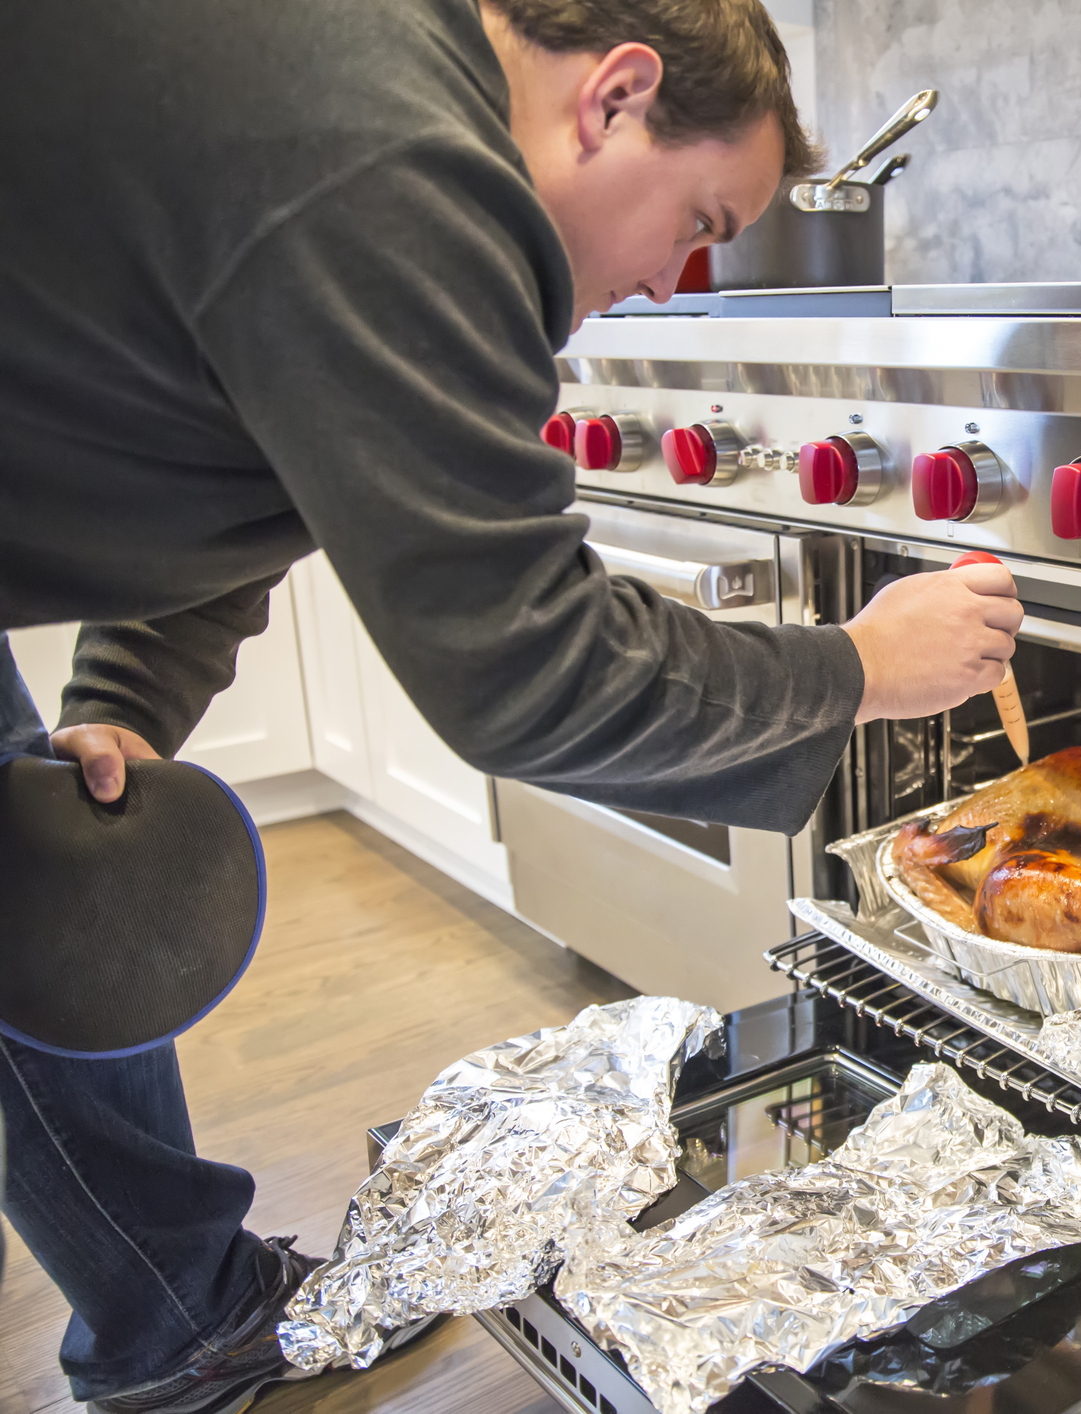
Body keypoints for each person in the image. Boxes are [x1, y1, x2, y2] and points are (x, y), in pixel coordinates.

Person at [0, 1, 1021, 1409]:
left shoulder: (350, 99)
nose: (678, 281)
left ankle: (173, 1313)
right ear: (613, 98)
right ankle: (177, 1321)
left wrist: (126, 695)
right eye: (699, 219)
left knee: (39, 911)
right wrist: (858, 668)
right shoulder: (393, 153)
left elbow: (248, 445)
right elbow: (526, 664)